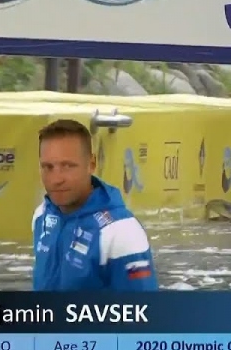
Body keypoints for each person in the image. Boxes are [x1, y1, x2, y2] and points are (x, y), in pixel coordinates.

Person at [31, 119, 158, 291]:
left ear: (91, 165)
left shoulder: (121, 231)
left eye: (68, 166)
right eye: (48, 167)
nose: (56, 179)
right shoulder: (42, 215)